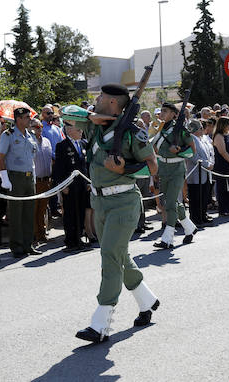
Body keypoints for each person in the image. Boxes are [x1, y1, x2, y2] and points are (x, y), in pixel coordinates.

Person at [67, 83, 160, 343]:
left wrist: (125, 169)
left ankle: (100, 323)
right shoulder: (95, 125)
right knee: (120, 256)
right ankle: (147, 301)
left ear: (111, 102)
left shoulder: (132, 133)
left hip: (124, 201)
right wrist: (91, 117)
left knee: (109, 255)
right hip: (100, 203)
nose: (95, 98)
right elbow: (67, 113)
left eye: (100, 97)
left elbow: (152, 168)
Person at [150, 102, 197, 249]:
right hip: (163, 169)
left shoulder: (181, 130)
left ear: (174, 114)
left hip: (177, 169)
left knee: (169, 204)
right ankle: (189, 227)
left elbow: (192, 150)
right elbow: (154, 149)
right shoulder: (159, 129)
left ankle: (167, 238)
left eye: (165, 111)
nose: (162, 113)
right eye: (161, 111)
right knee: (173, 202)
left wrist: (179, 150)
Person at [0, 107, 39, 258]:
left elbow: (33, 155)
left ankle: (28, 244)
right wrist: (5, 178)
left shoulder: (30, 135)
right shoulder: (8, 135)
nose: (29, 119)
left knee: (29, 212)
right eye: (26, 117)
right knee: (16, 213)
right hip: (15, 176)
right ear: (18, 119)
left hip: (29, 176)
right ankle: (17, 246)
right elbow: (0, 158)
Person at [53, 120, 90, 252]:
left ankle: (79, 237)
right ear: (68, 130)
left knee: (80, 211)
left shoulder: (82, 143)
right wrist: (62, 185)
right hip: (69, 185)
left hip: (82, 183)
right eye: (78, 129)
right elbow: (58, 167)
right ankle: (70, 241)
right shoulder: (62, 146)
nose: (81, 131)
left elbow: (85, 165)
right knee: (70, 213)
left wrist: (88, 182)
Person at [185, 119, 213, 226]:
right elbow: (193, 156)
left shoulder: (203, 139)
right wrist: (206, 164)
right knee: (196, 197)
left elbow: (210, 152)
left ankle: (203, 215)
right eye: (201, 128)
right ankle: (196, 218)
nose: (202, 129)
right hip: (196, 173)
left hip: (206, 172)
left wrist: (211, 163)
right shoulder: (191, 139)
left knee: (204, 195)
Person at [30, 118, 53, 245]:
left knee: (43, 209)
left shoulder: (47, 141)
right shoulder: (29, 142)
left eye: (39, 126)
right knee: (34, 209)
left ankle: (42, 234)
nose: (38, 129)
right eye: (35, 126)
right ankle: (35, 234)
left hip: (46, 180)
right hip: (35, 180)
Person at [212, 117, 229, 216]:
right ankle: (223, 209)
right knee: (222, 187)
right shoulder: (218, 136)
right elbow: (222, 151)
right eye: (228, 124)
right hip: (222, 165)